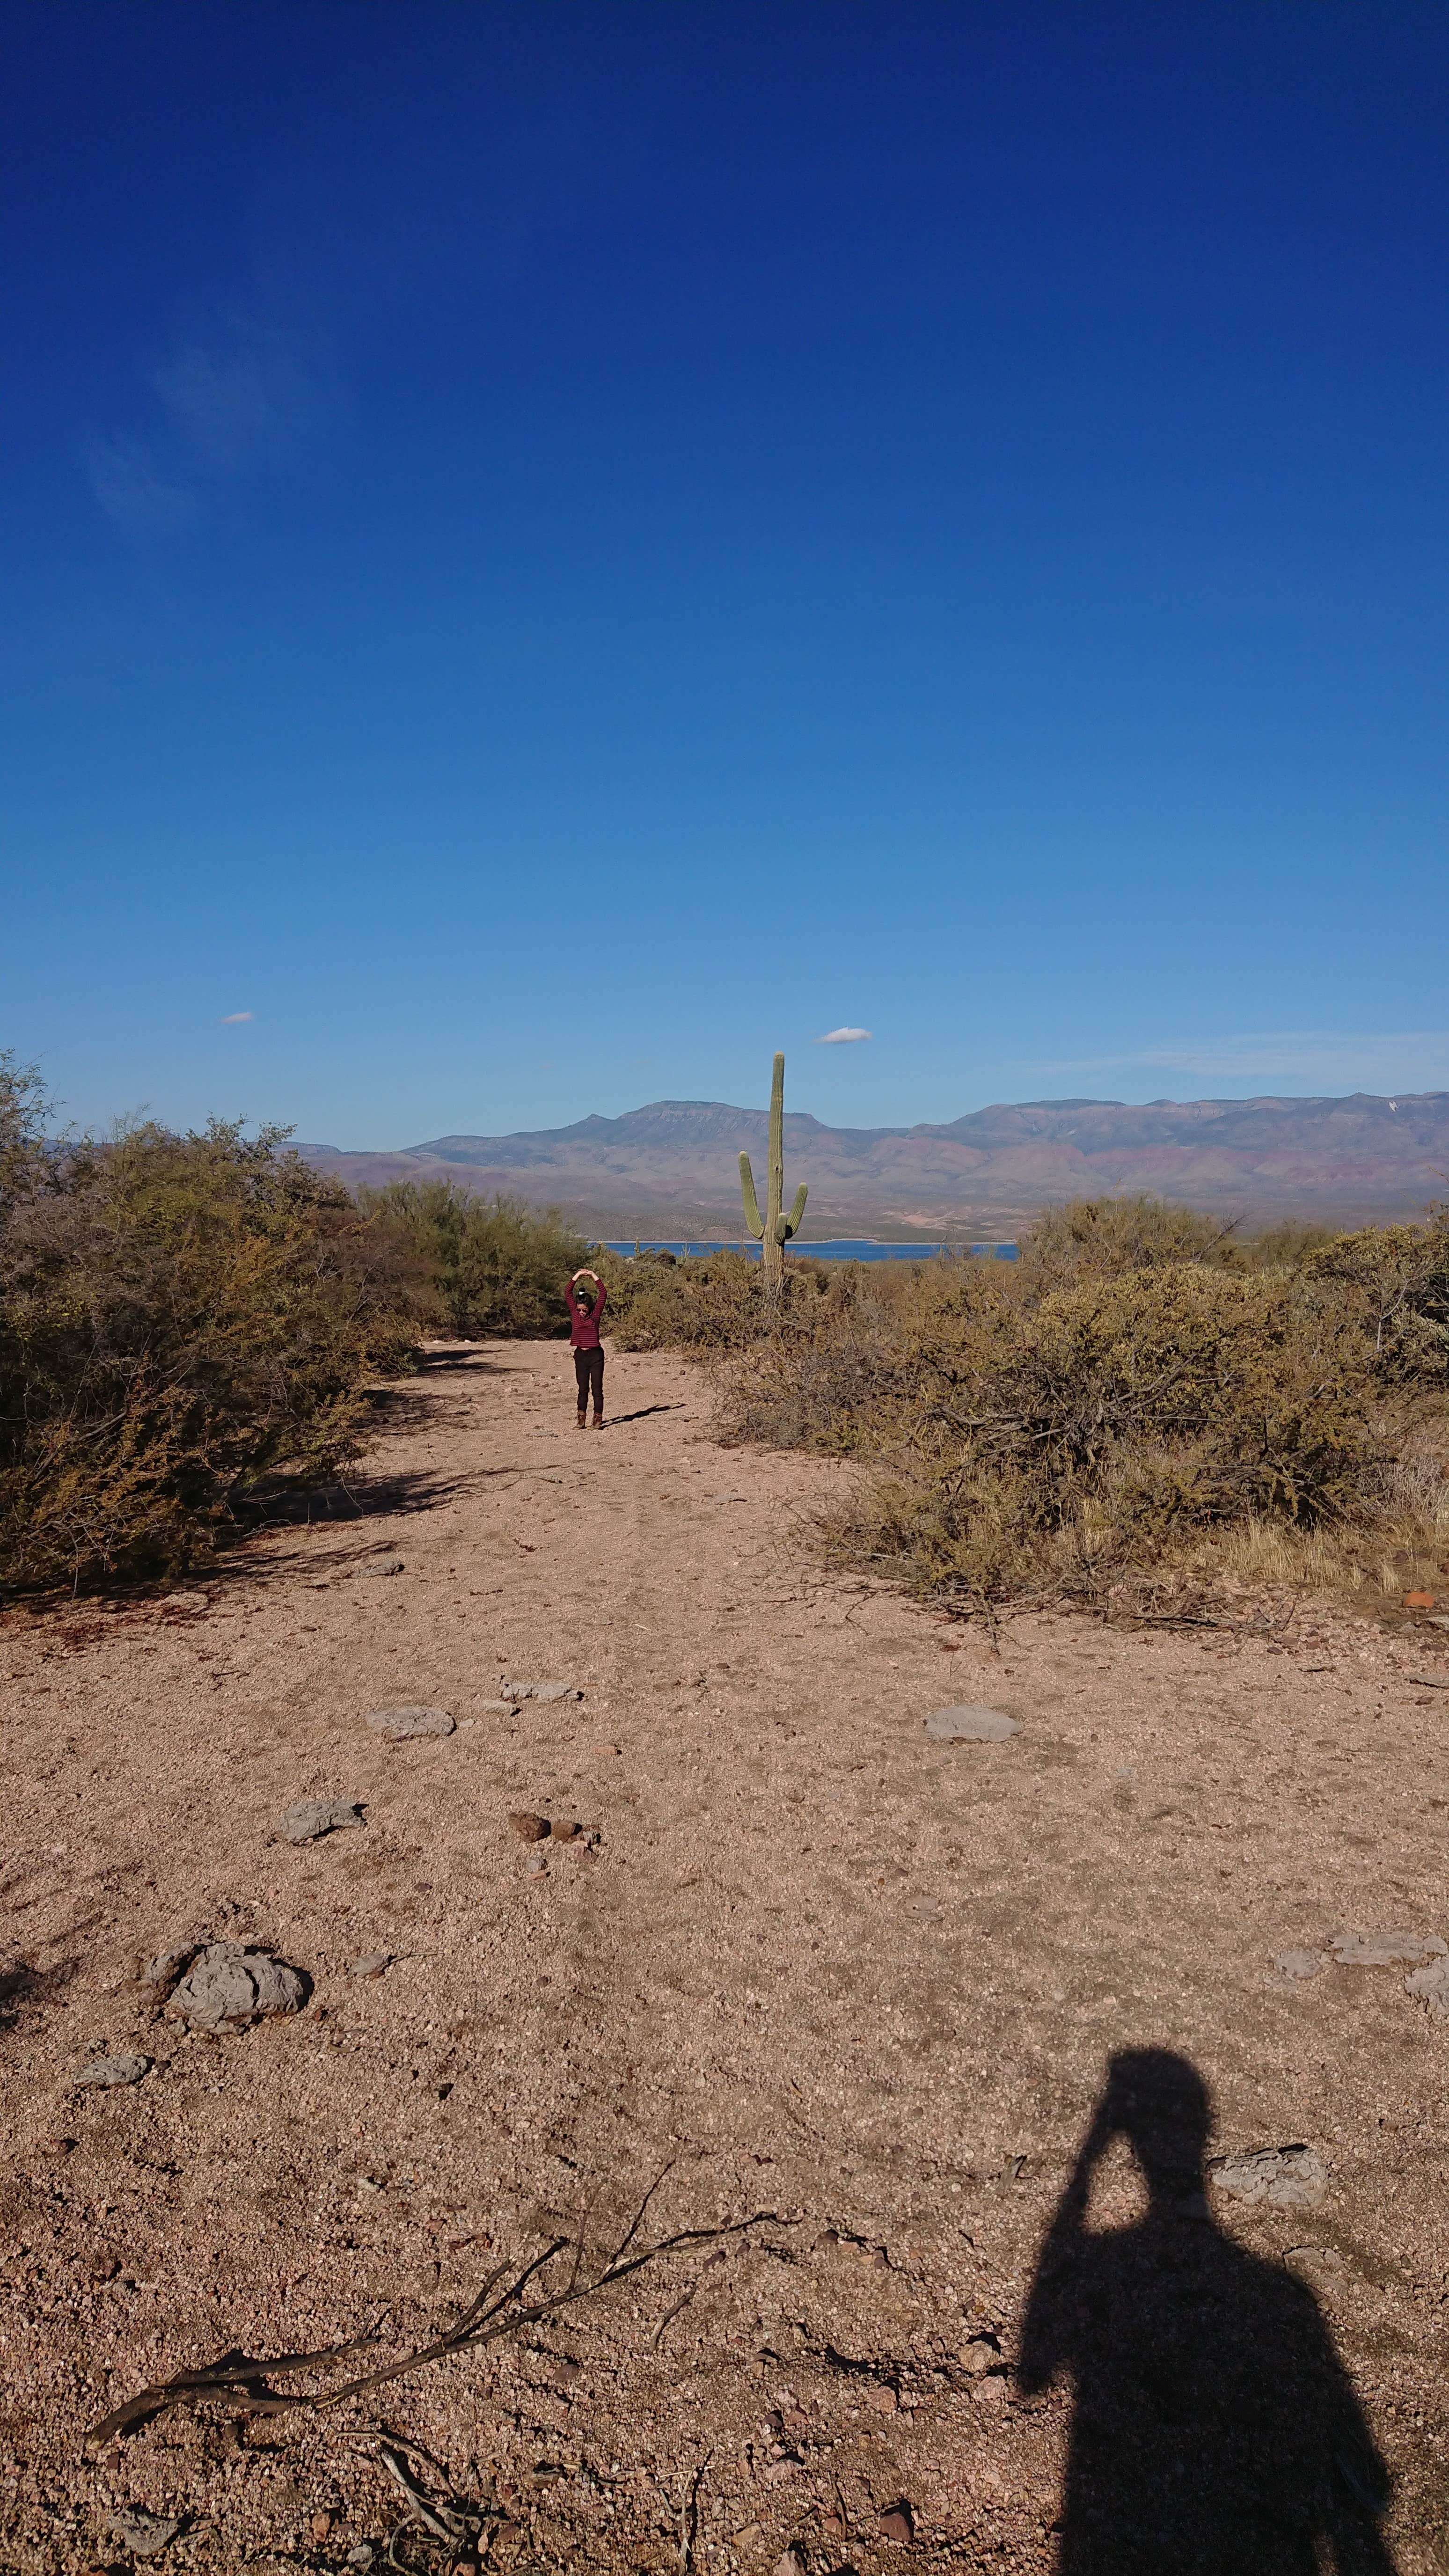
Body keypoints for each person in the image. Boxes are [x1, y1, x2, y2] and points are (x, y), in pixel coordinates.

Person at [565, 1267, 607, 1428]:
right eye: (579, 1310)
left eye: (584, 1310)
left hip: (595, 1356)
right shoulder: (575, 1314)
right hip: (580, 1356)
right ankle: (581, 1418)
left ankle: (598, 1419)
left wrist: (593, 1276)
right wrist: (577, 1275)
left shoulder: (595, 1316)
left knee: (597, 1389)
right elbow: (568, 1292)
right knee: (583, 1389)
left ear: (589, 1308)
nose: (582, 1312)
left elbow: (603, 1294)